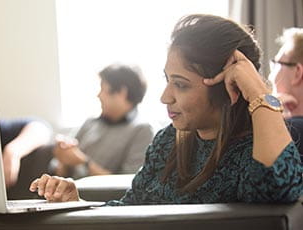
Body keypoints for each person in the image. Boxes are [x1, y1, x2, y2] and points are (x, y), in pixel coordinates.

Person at [29, 14, 303, 204]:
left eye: (181, 85)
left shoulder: (251, 151)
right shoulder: (167, 141)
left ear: (226, 89)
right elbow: (130, 209)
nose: (164, 97)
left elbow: (277, 189)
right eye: (167, 80)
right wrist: (77, 201)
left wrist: (257, 91)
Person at [50, 64, 154, 179]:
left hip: (99, 196)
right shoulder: (90, 123)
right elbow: (58, 172)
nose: (98, 95)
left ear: (121, 93)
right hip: (66, 191)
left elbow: (129, 183)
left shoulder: (142, 130)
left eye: (103, 89)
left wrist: (83, 162)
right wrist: (64, 158)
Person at [268, 28, 303, 158]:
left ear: (297, 72)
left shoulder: (294, 130)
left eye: (276, 63)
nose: (270, 75)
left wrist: (266, 107)